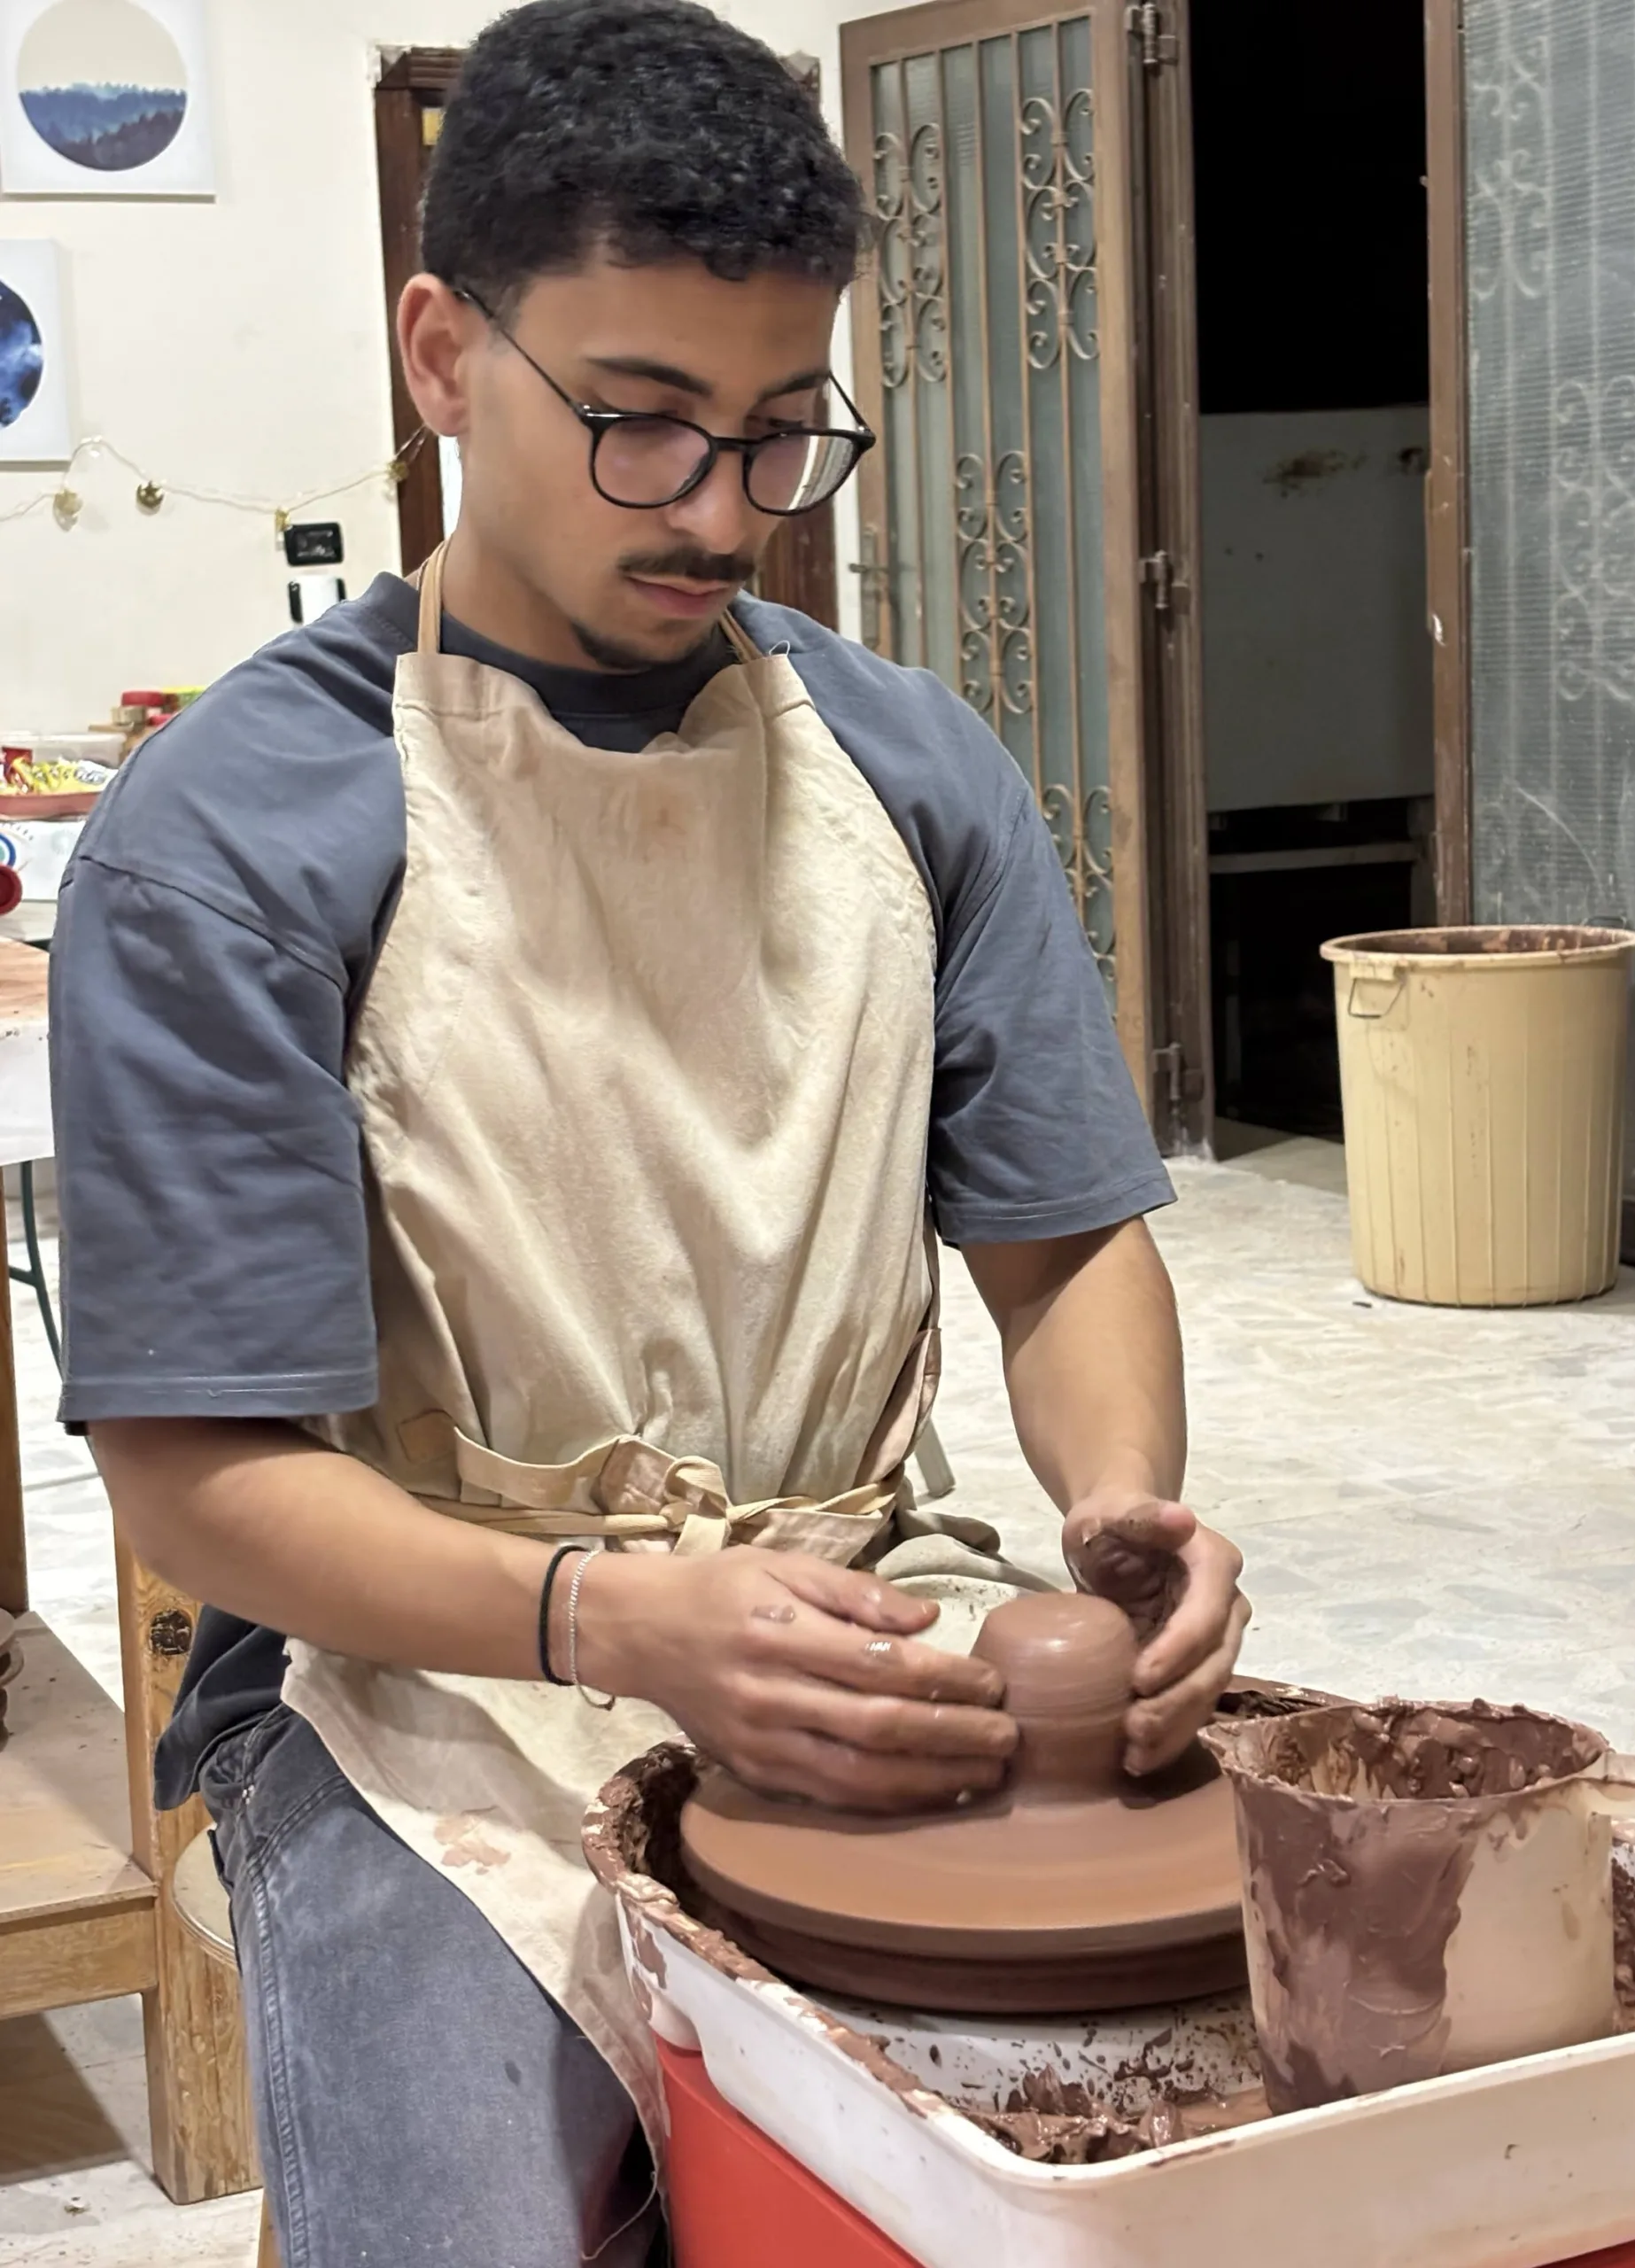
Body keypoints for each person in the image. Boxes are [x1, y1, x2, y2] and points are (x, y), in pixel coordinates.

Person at [50, 4, 1249, 2261]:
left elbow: (1063, 1244)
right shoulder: (232, 834)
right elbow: (199, 1474)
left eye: (784, 432)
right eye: (641, 425)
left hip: (858, 1596)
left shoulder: (911, 773)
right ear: (442, 349)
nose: (722, 510)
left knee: (1184, 2097)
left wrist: (1120, 1508)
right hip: (421, 1668)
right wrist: (611, 1616)